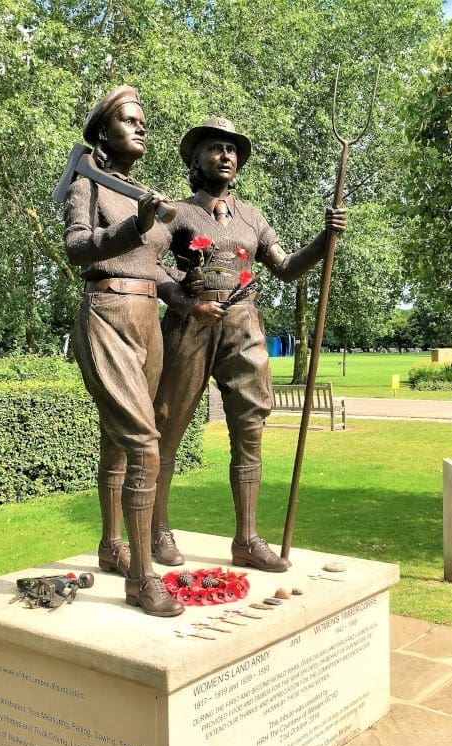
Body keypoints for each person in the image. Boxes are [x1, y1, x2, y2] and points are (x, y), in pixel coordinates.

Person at [152, 117, 346, 572]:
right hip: (191, 324)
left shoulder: (252, 217)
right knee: (169, 427)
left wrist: (325, 237)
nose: (226, 156)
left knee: (250, 430)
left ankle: (247, 539)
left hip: (244, 325)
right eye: (216, 148)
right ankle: (157, 530)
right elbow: (149, 264)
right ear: (195, 160)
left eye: (232, 150)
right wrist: (183, 300)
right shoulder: (176, 212)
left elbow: (287, 266)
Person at [62, 85, 185, 617]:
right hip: (108, 313)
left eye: (143, 121)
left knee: (118, 439)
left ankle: (112, 545)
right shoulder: (88, 183)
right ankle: (140, 578)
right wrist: (137, 224)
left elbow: (157, 268)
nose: (142, 128)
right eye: (130, 121)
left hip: (148, 318)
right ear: (104, 133)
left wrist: (192, 286)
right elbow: (76, 248)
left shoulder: (141, 189)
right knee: (144, 443)